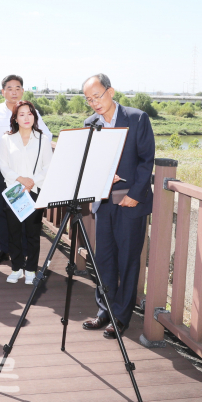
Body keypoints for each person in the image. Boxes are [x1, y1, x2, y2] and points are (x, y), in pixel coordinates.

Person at [80, 74, 154, 339]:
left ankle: (120, 318)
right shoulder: (91, 123)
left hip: (129, 202)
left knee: (128, 261)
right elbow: (88, 161)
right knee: (104, 260)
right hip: (103, 202)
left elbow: (146, 160)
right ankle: (104, 312)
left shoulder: (137, 118)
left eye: (97, 96)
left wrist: (135, 194)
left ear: (110, 91)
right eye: (89, 99)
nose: (94, 103)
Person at [0, 75, 52, 266]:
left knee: (26, 212)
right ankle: (3, 249)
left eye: (18, 88)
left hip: (27, 175)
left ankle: (24, 251)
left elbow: (46, 135)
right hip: (4, 171)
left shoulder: (30, 111)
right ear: (3, 91)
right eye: (10, 88)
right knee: (2, 212)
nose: (14, 92)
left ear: (22, 90)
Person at [0, 100, 53, 284]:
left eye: (30, 113)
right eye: (21, 114)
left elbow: (48, 166)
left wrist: (31, 182)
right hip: (14, 191)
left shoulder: (42, 139)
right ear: (15, 118)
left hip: (34, 191)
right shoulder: (7, 139)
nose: (26, 117)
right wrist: (21, 180)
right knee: (13, 232)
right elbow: (3, 165)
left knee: (33, 233)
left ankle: (31, 269)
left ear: (34, 117)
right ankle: (16, 268)